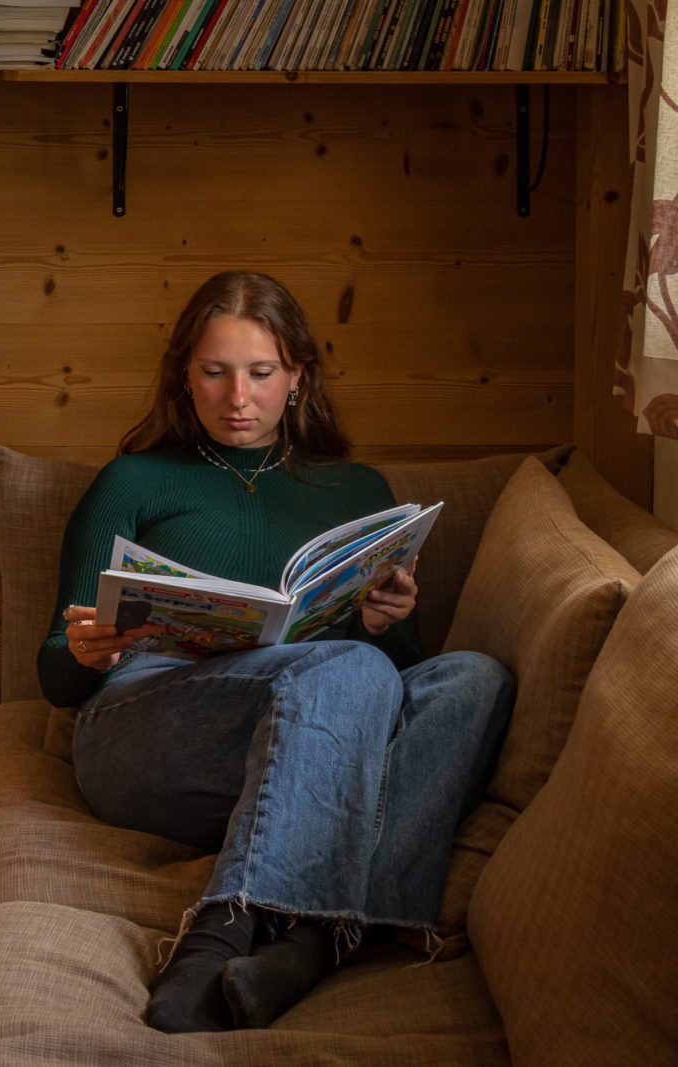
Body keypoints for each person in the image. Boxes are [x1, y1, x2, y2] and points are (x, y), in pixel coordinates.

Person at [38, 271, 515, 1033]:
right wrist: (90, 649)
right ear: (183, 376)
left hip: (313, 745)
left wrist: (385, 618)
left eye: (261, 373)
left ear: (296, 376)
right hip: (152, 731)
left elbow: (398, 674)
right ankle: (222, 928)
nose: (238, 397)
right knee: (347, 669)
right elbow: (56, 672)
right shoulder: (132, 480)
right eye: (215, 371)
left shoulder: (356, 487)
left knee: (476, 680)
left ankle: (316, 942)